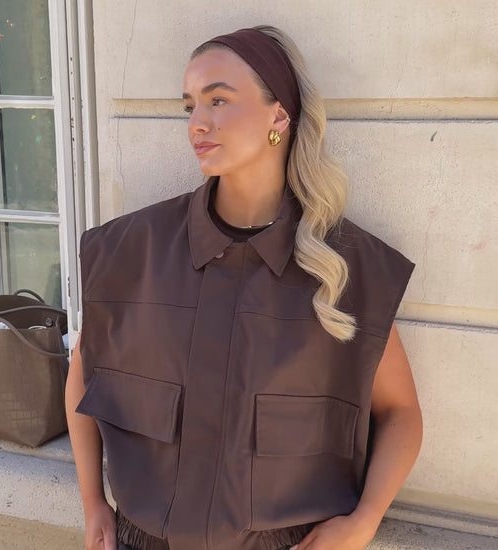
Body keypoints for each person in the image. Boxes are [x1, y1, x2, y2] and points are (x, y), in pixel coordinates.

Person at [65, 25, 423, 550]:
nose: (197, 122)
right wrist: (93, 501)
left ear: (279, 116)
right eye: (189, 105)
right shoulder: (130, 251)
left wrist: (364, 520)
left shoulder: (347, 269)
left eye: (218, 100)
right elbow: (83, 374)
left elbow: (401, 414)